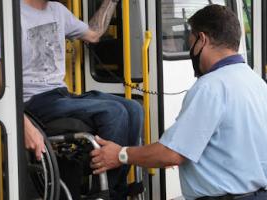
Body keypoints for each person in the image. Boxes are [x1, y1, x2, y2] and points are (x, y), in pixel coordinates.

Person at [90, 4, 267, 200]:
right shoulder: (256, 82)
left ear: (202, 39)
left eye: (189, 44)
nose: (190, 50)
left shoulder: (210, 87)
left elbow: (171, 154)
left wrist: (120, 154)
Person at [20, 0, 144, 199]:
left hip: (60, 94)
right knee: (115, 112)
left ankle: (115, 188)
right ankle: (106, 194)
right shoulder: (11, 16)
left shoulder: (58, 11)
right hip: (34, 100)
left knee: (134, 109)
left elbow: (93, 34)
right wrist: (22, 121)